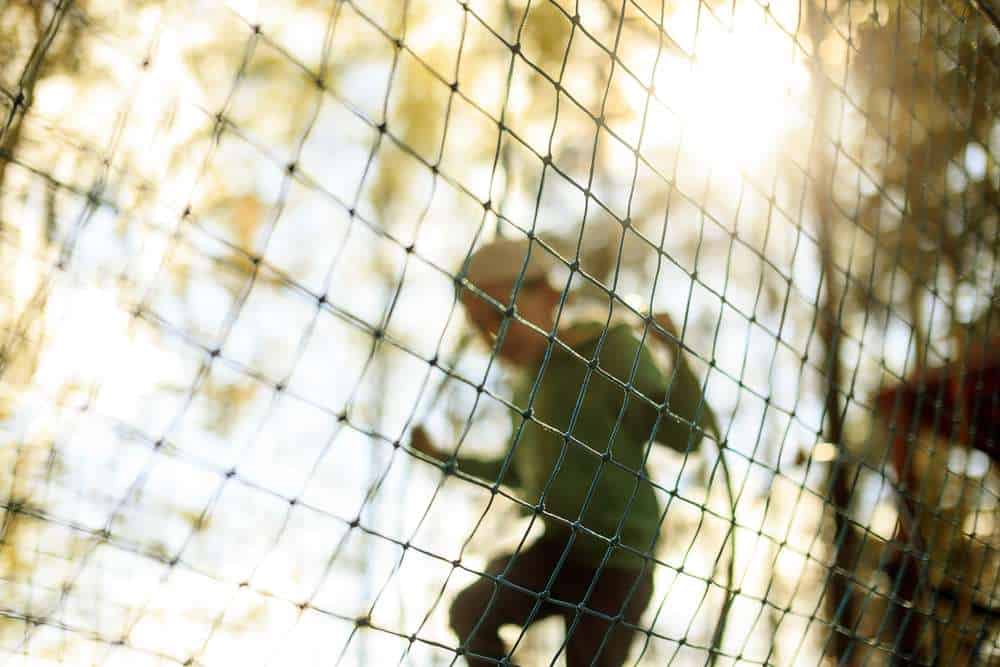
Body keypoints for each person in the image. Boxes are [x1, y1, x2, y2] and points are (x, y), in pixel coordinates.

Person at [410, 237, 719, 666]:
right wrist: (444, 456)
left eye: (502, 313)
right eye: (478, 326)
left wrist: (675, 355)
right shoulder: (525, 385)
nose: (492, 336)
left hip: (621, 559)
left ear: (549, 296)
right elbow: (517, 469)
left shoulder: (609, 351)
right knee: (470, 610)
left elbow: (683, 436)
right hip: (560, 550)